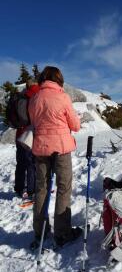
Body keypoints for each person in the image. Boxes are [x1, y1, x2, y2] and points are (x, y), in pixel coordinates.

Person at [28, 66, 81, 249]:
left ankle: (40, 232)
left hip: (41, 148)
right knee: (63, 188)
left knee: (41, 189)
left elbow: (34, 122)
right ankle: (62, 233)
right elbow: (75, 125)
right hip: (61, 148)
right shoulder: (63, 97)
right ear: (59, 79)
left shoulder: (35, 99)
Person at [13, 80, 41, 201]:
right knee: (32, 164)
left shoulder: (20, 96)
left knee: (20, 163)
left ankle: (18, 189)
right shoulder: (38, 94)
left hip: (19, 135)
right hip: (31, 135)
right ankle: (32, 190)